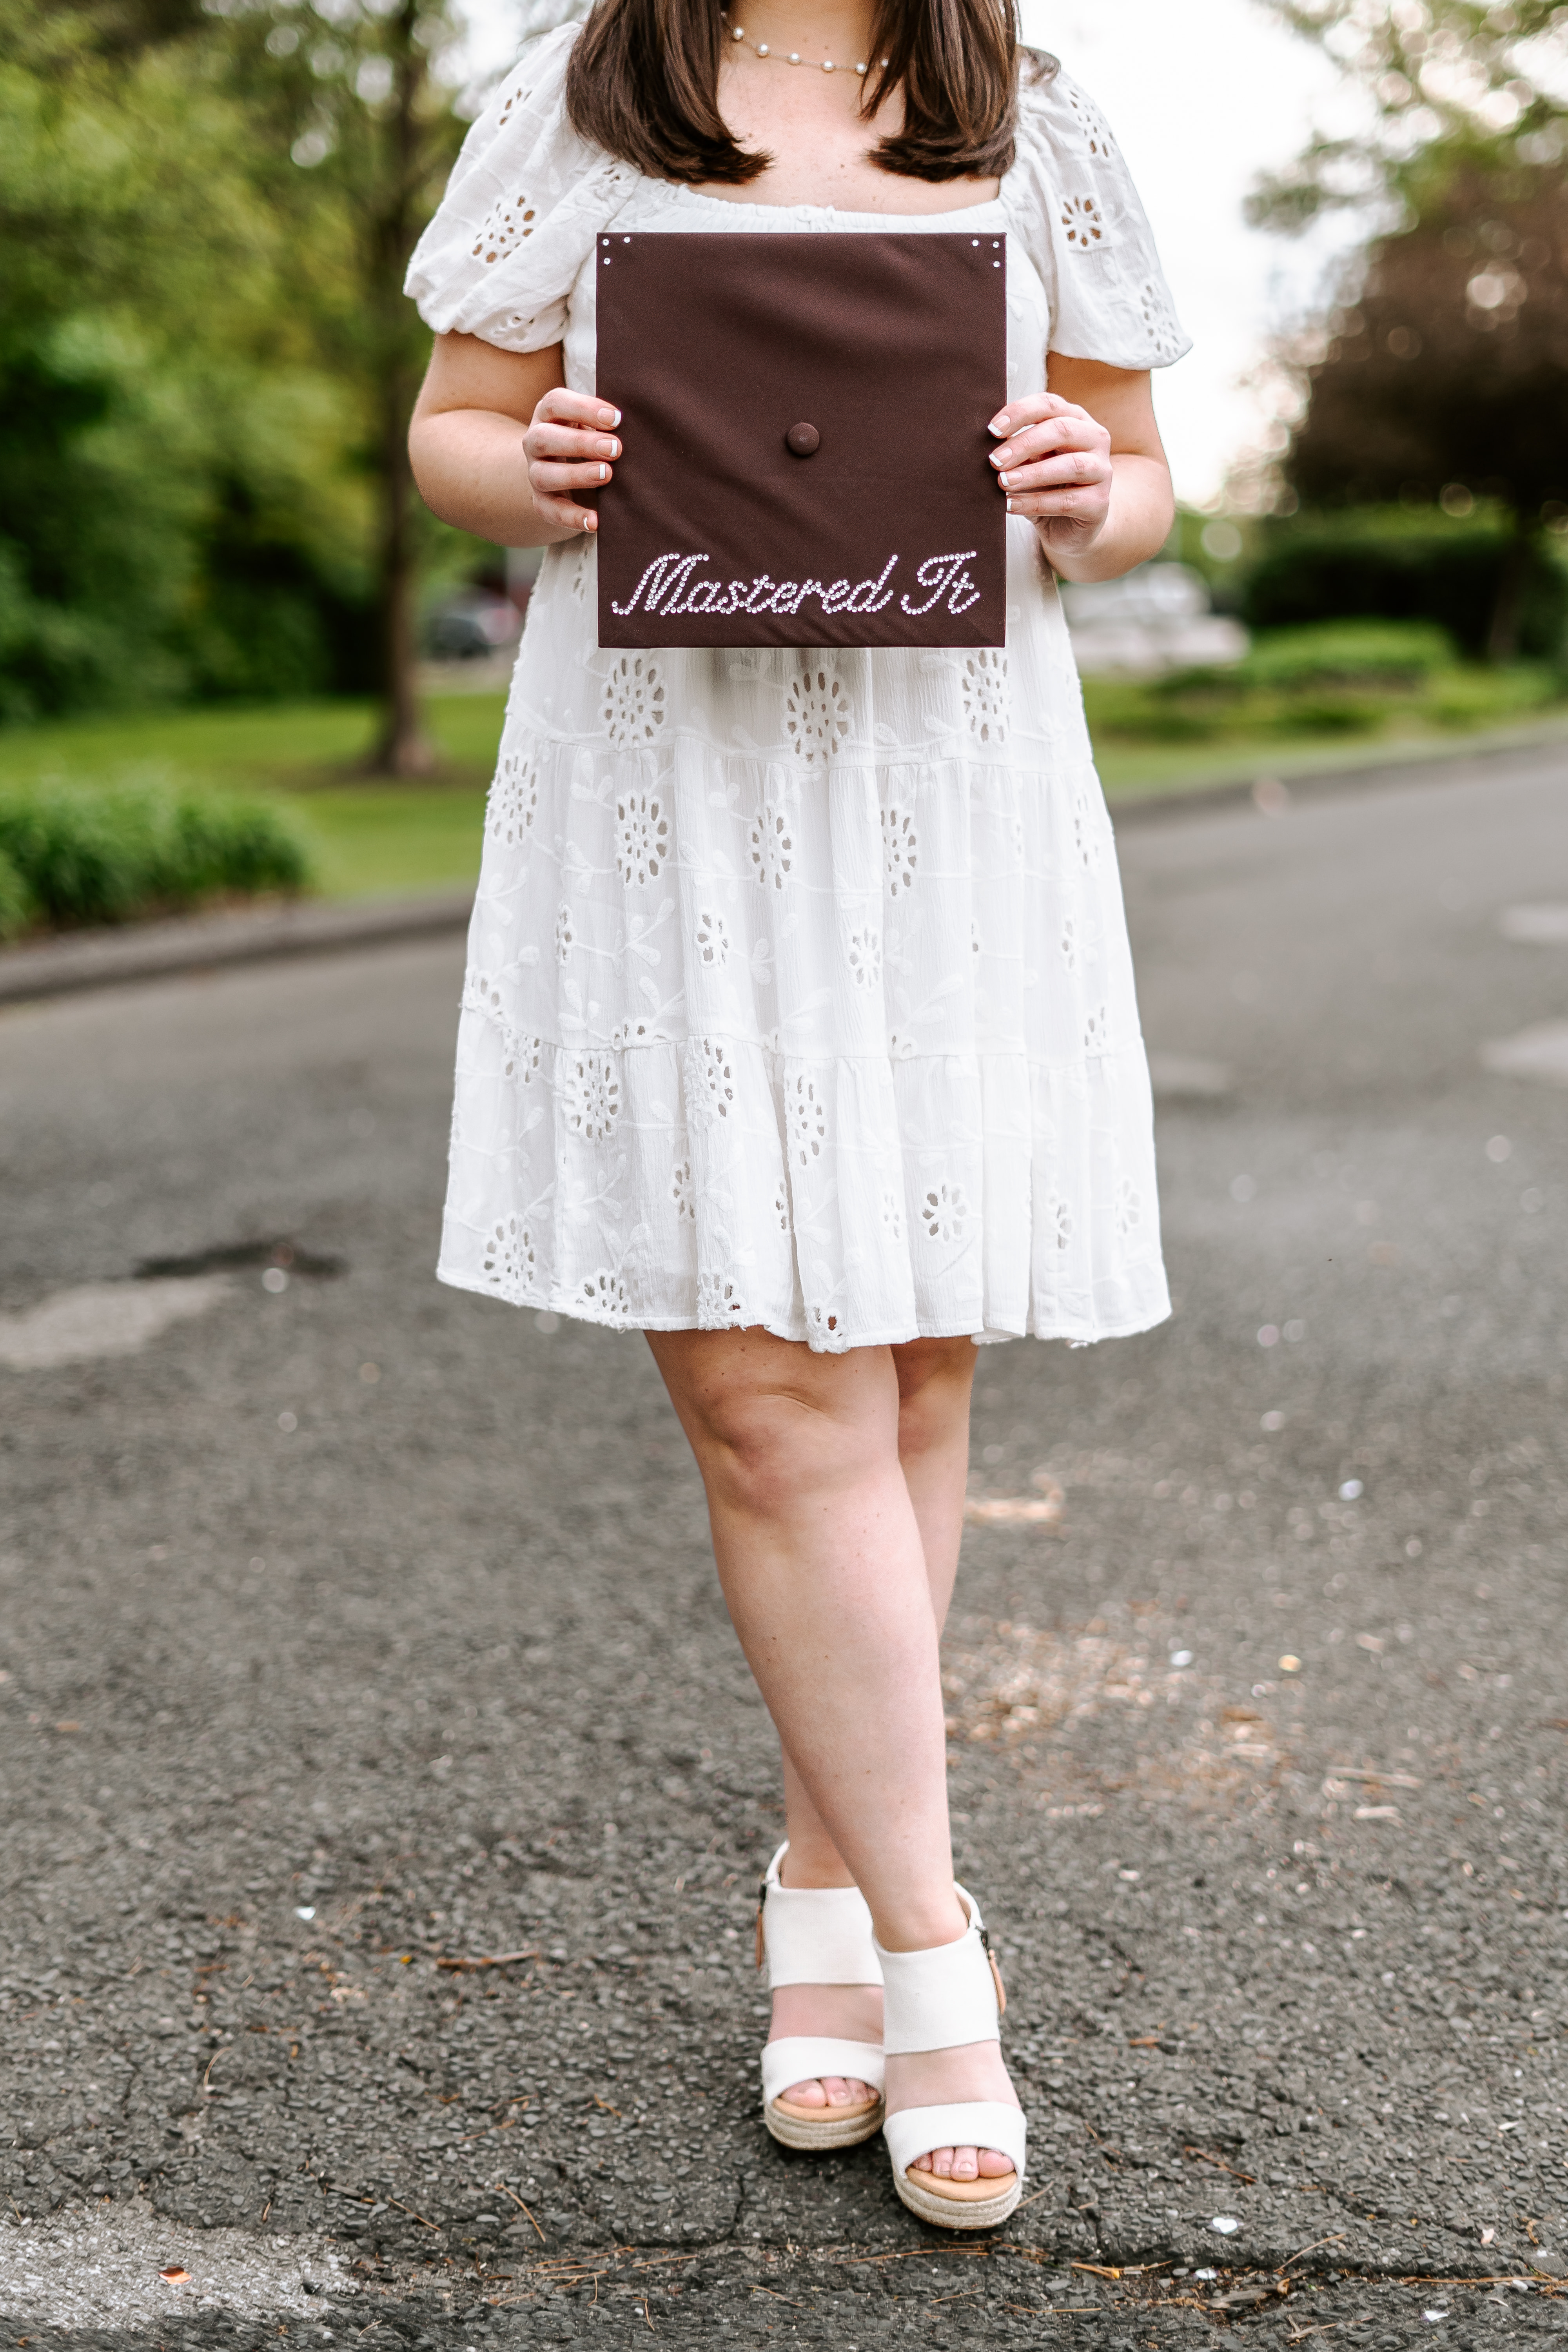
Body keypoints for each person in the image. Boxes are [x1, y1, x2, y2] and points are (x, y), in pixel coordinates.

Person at [405, 0, 1184, 2232]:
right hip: (673, 796)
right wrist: (533, 465)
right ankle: (944, 1958)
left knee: (914, 1358)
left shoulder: (1029, 110)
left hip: (946, 802)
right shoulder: (581, 89)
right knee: (775, 1393)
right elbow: (453, 428)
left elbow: (1140, 484)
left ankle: (825, 1894)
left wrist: (1079, 494)